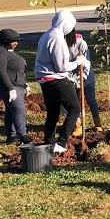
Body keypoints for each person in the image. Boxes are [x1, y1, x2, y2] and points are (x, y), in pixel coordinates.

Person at [34, 11, 87, 152]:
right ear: (66, 25)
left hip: (44, 80)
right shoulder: (57, 38)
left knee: (53, 112)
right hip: (56, 79)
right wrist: (77, 62)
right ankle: (61, 143)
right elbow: (61, 66)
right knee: (74, 108)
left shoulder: (46, 34)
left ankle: (49, 142)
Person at [0, 28, 29, 144]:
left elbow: (18, 70)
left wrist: (25, 84)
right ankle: (23, 136)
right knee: (18, 110)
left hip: (17, 85)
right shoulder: (0, 53)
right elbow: (1, 72)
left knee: (10, 110)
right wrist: (10, 88)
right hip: (8, 86)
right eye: (14, 41)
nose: (16, 43)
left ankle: (11, 136)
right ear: (6, 40)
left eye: (17, 41)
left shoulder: (10, 51)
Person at [68, 31, 102, 133]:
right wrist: (72, 79)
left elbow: (86, 63)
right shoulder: (64, 45)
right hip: (73, 79)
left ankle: (98, 123)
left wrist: (82, 77)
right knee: (75, 102)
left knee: (91, 100)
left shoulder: (82, 44)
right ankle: (78, 125)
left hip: (87, 78)